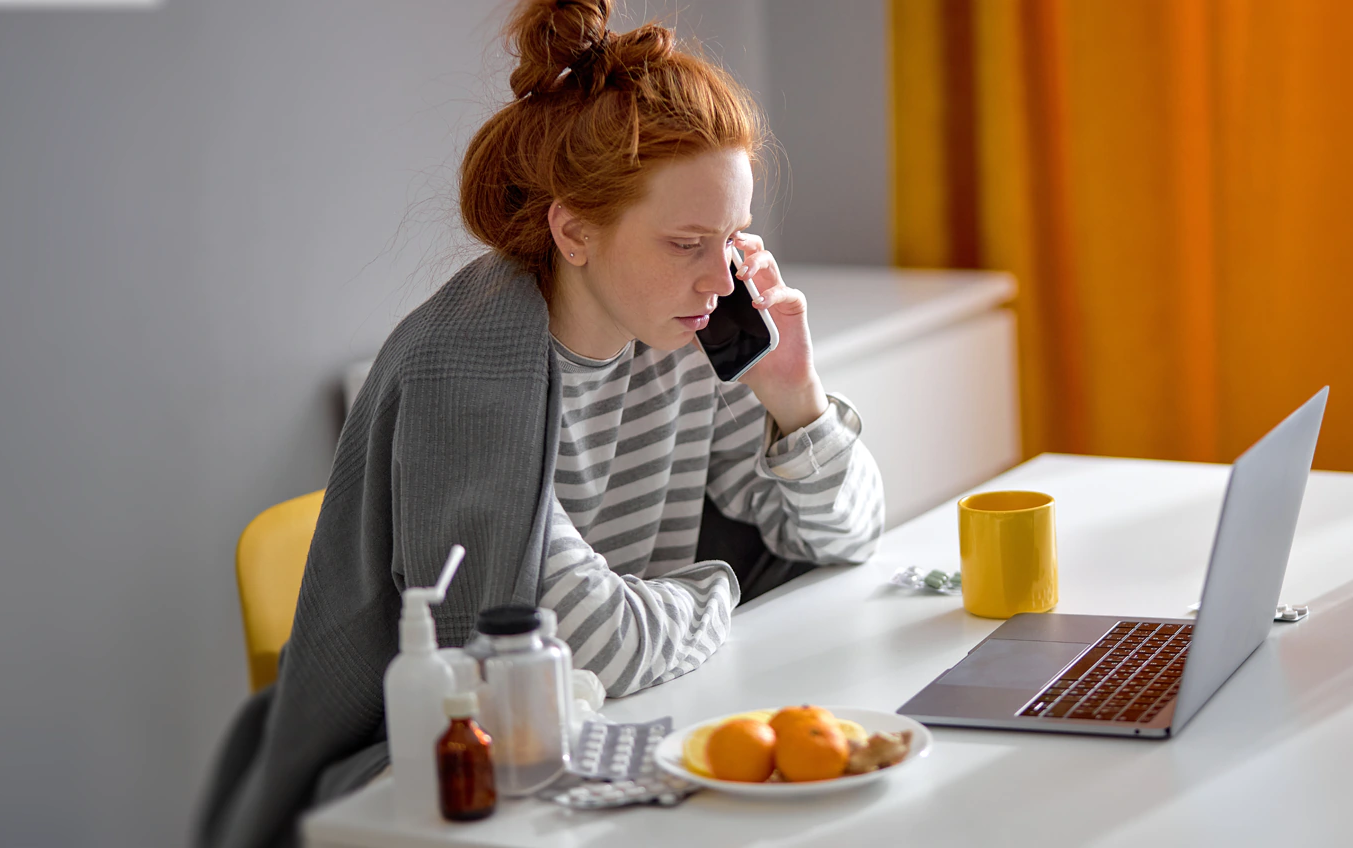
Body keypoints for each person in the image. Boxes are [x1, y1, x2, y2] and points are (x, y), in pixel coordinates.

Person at [197, 1, 883, 843]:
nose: (719, 278)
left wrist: (795, 399)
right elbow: (590, 644)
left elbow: (845, 536)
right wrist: (719, 588)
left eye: (732, 237)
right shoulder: (466, 375)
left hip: (602, 737)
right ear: (574, 230)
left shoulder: (686, 329)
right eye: (685, 242)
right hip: (433, 777)